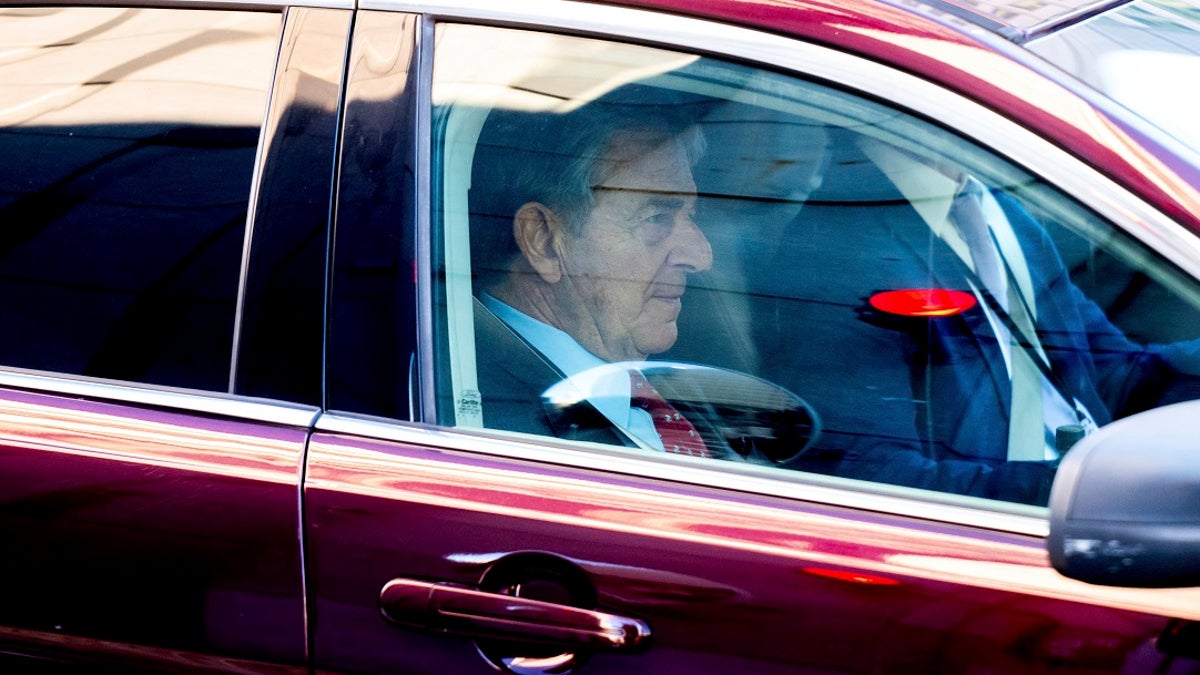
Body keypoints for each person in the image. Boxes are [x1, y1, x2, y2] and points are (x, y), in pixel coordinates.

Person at [465, 99, 727, 454]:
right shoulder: (485, 427)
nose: (700, 256)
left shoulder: (661, 382)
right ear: (543, 241)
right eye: (655, 218)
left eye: (690, 215)